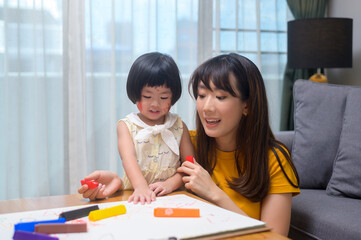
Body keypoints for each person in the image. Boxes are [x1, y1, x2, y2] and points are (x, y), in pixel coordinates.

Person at [177, 53, 300, 236]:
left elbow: (274, 238)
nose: (207, 107)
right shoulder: (188, 144)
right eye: (202, 95)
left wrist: (214, 193)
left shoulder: (273, 160)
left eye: (220, 97)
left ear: (247, 106)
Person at [78, 52, 194, 204]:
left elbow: (190, 166)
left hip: (172, 197)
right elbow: (129, 158)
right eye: (147, 97)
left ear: (173, 97)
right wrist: (141, 187)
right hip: (137, 195)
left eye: (164, 97)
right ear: (136, 94)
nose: (155, 104)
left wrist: (170, 184)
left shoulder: (179, 126)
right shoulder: (127, 125)